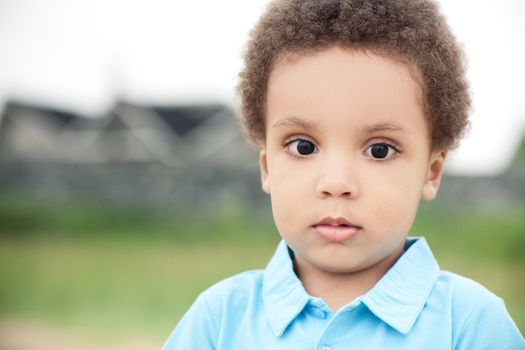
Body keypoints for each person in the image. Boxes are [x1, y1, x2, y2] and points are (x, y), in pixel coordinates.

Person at [162, 0, 525, 348]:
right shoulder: (220, 321)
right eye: (303, 147)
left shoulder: (470, 326)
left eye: (379, 150)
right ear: (267, 166)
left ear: (431, 172)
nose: (336, 183)